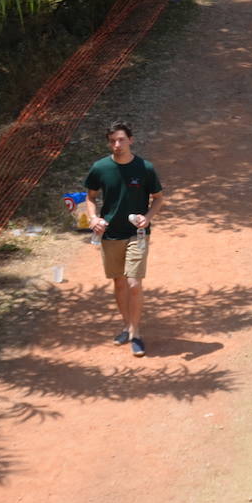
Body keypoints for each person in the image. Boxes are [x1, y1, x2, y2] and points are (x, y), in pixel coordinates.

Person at [84, 121, 164, 357]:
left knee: (134, 284)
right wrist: (92, 218)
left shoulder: (145, 168)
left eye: (121, 140)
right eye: (112, 141)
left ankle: (136, 333)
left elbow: (159, 198)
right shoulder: (100, 168)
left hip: (137, 234)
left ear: (131, 140)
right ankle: (127, 325)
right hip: (109, 234)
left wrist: (148, 218)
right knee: (119, 283)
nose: (117, 145)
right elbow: (90, 198)